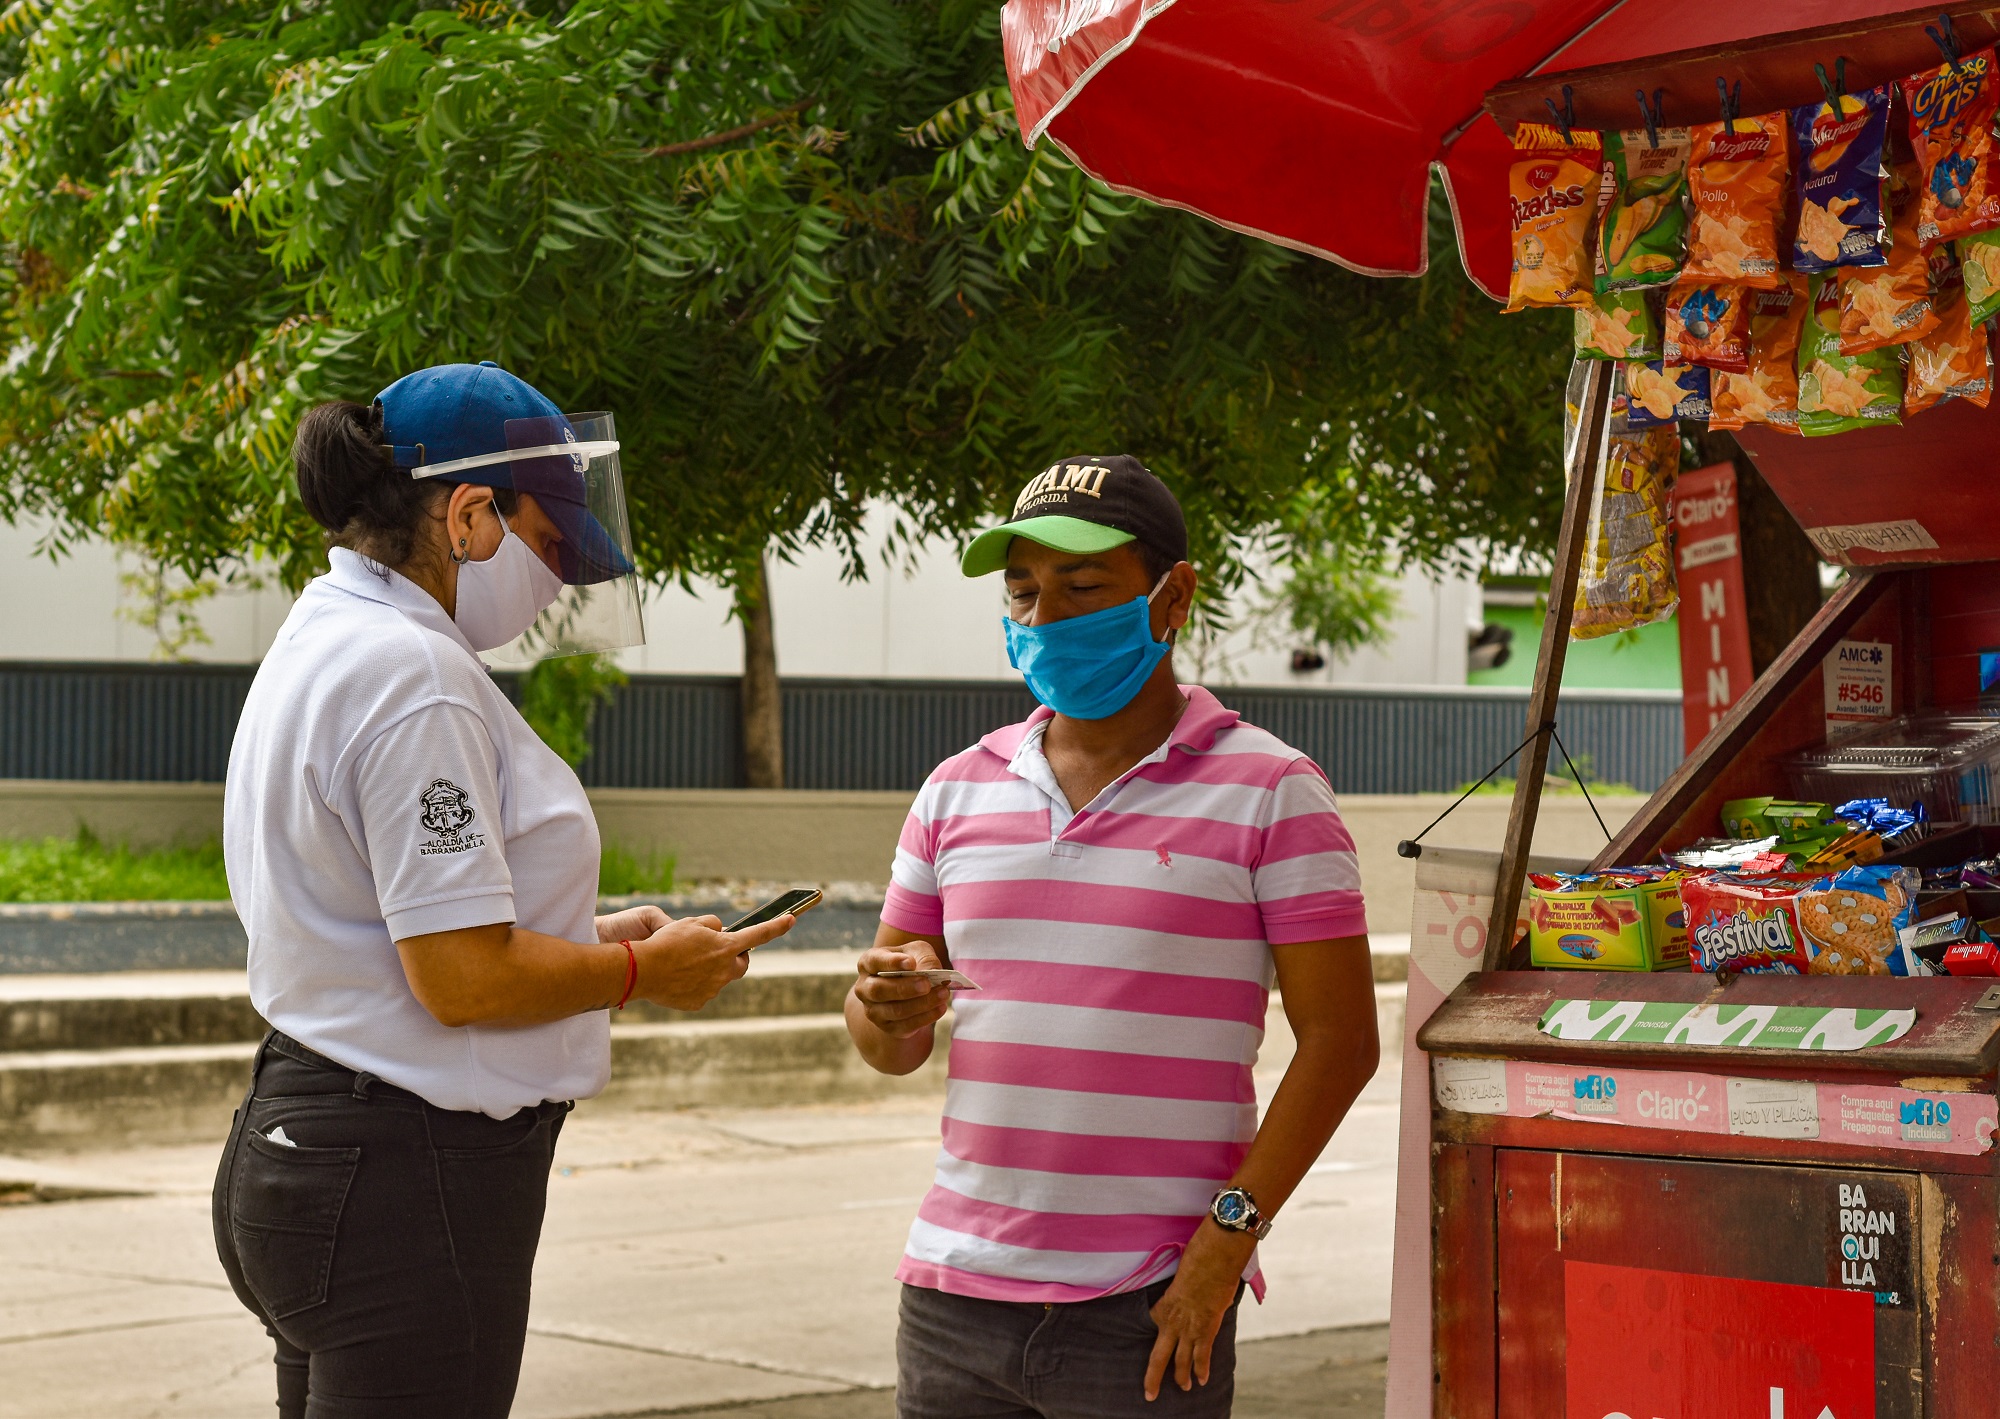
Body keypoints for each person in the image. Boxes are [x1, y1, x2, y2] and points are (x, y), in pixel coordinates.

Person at [212, 361, 795, 1419]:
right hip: (402, 1182)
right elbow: (463, 978)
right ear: (471, 514)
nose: (560, 582)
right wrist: (636, 973)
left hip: (309, 1145)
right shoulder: (413, 675)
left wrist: (595, 933)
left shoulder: (327, 634)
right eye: (550, 545)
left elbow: (387, 915)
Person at [845, 456, 1380, 1418]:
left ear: (1174, 595)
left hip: (1150, 1303)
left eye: (1083, 587)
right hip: (951, 1299)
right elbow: (891, 1042)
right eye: (1022, 590)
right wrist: (882, 998)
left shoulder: (1274, 791)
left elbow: (1343, 1041)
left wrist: (1227, 1242)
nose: (1044, 617)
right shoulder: (954, 788)